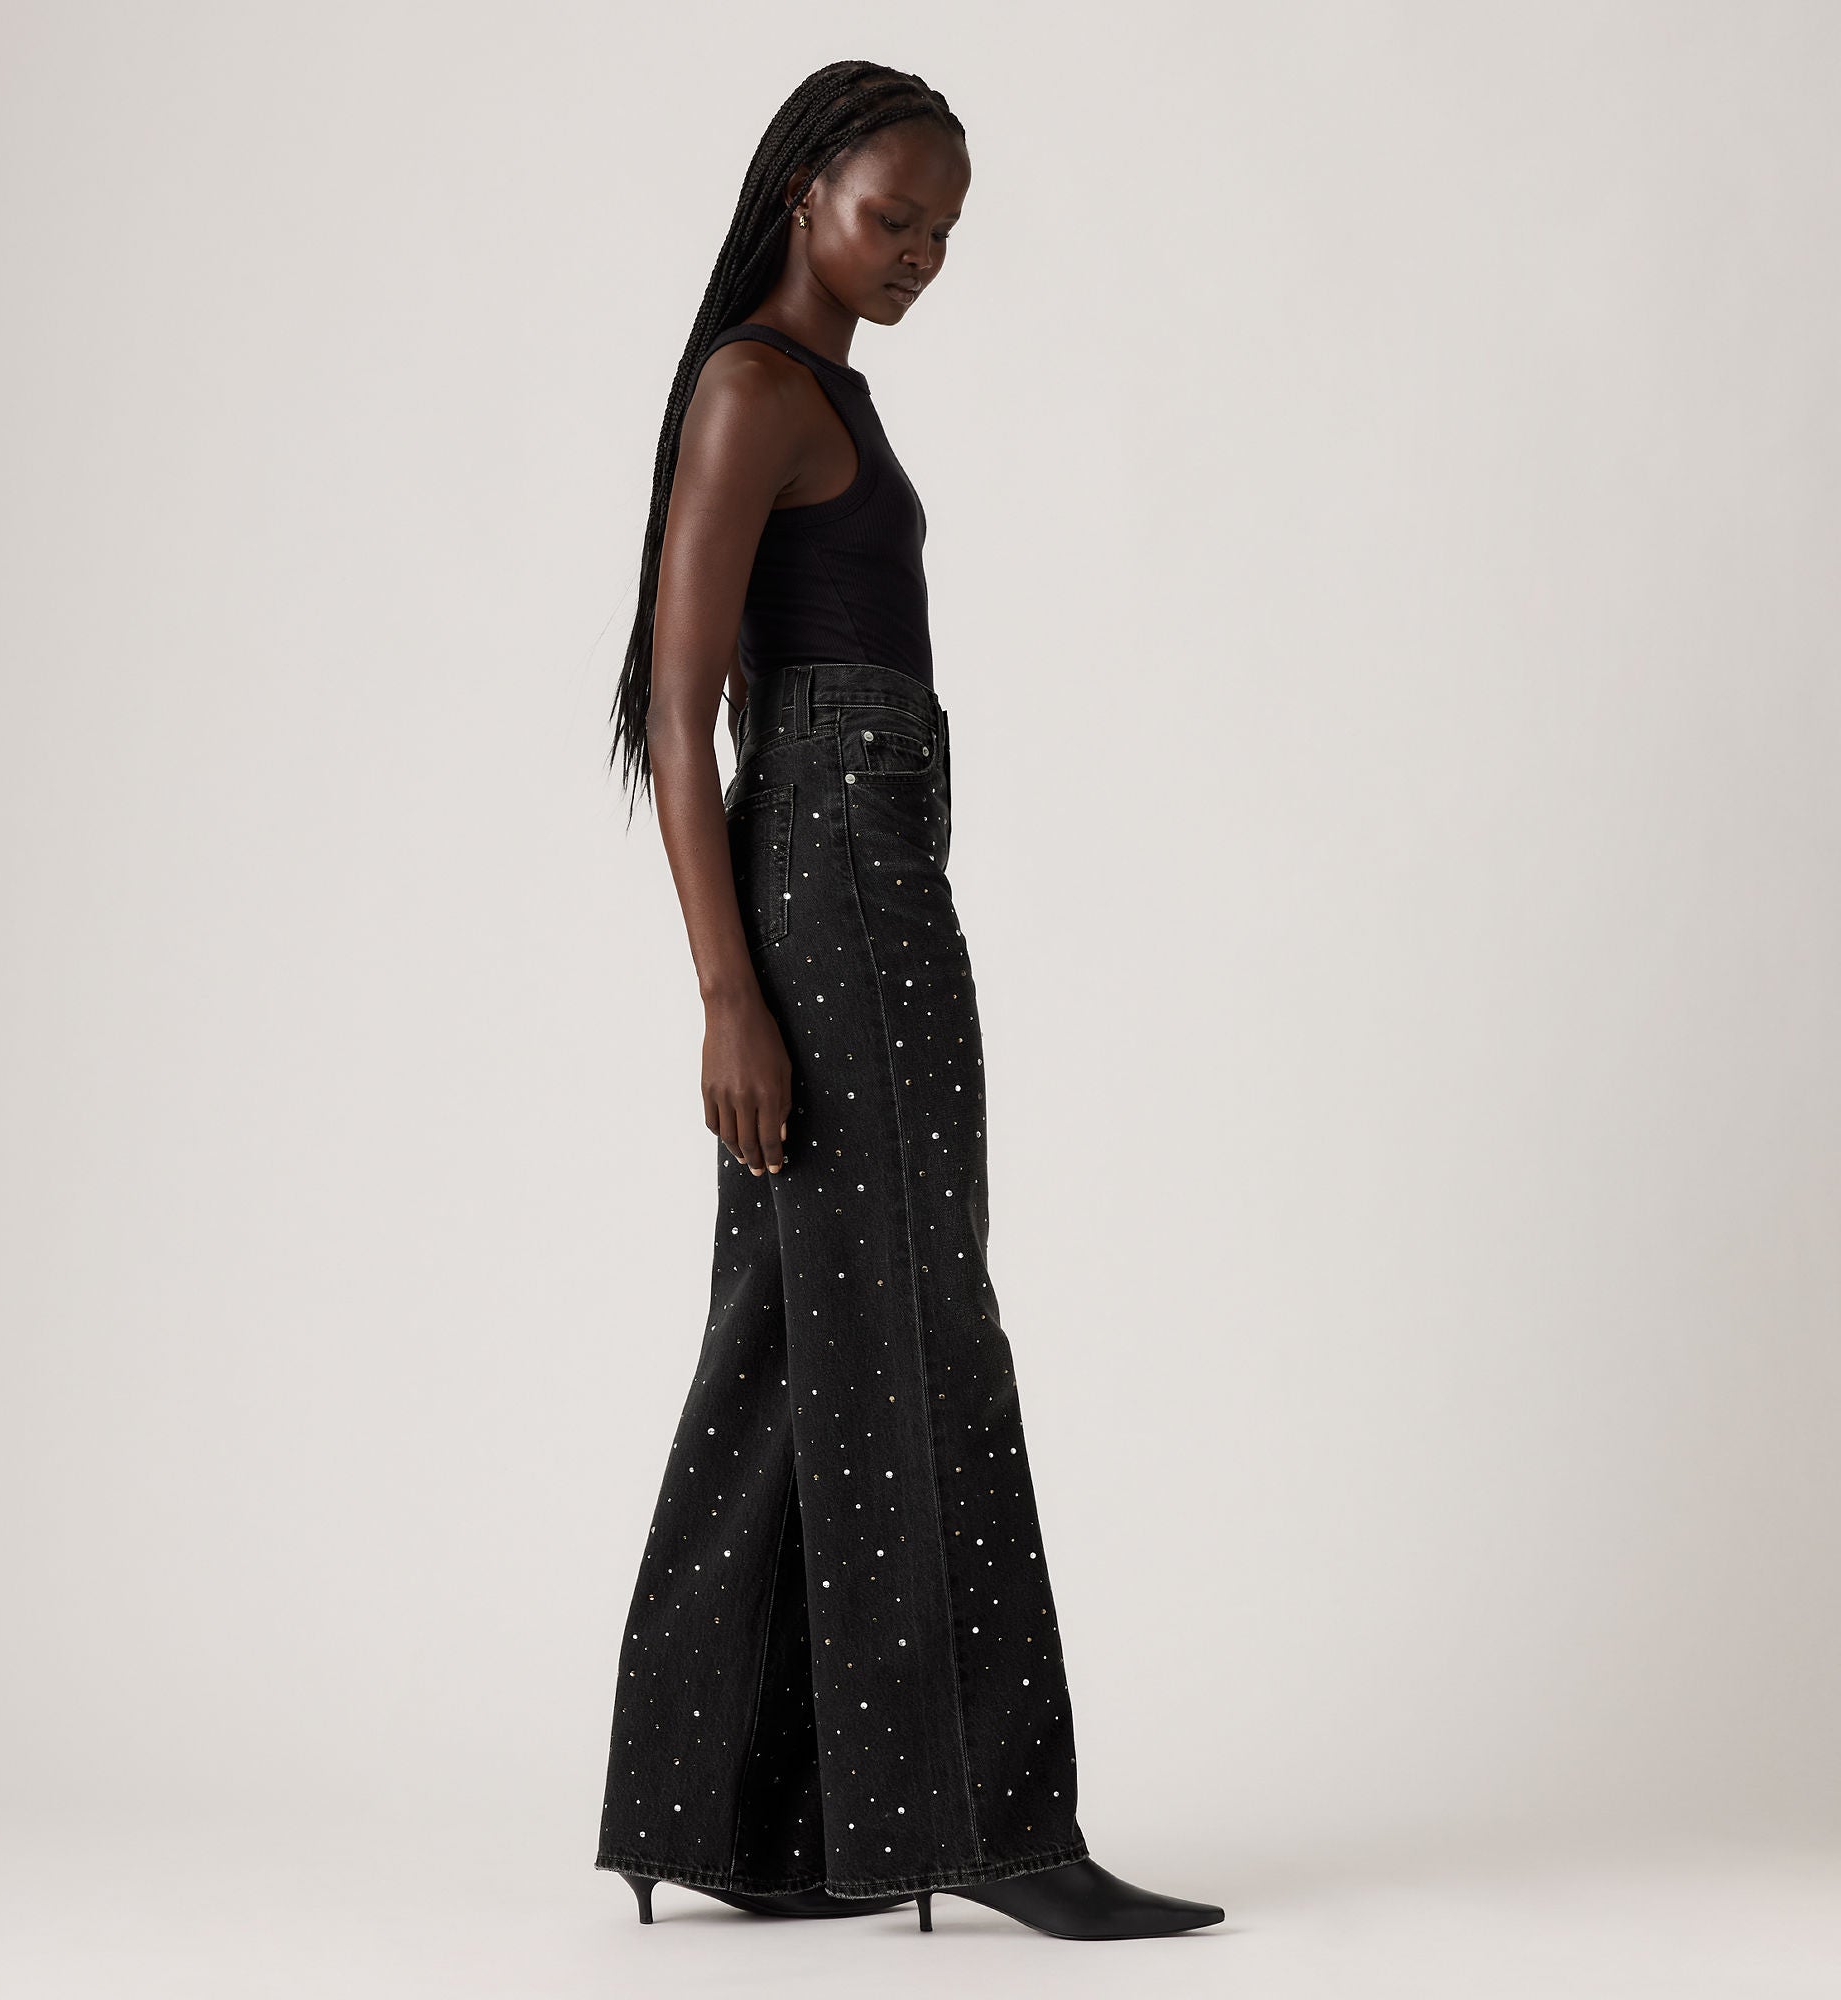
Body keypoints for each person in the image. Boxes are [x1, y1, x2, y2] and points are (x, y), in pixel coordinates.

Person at [595, 60, 1225, 1944]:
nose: (921, 255)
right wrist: (728, 994)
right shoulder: (753, 391)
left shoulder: (820, 391)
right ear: (805, 189)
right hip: (834, 884)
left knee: (798, 1328)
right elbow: (678, 717)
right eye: (894, 217)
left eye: (945, 232)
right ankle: (991, 1820)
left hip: (862, 863)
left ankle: (731, 1813)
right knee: (927, 1326)